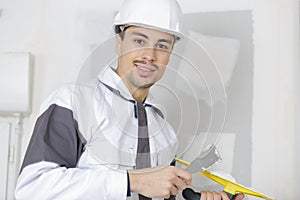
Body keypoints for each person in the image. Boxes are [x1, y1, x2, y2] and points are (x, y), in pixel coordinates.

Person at [15, 0, 244, 199]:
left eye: (162, 46)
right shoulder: (74, 102)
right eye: (139, 41)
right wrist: (133, 181)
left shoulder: (165, 131)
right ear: (118, 41)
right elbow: (32, 188)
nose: (150, 56)